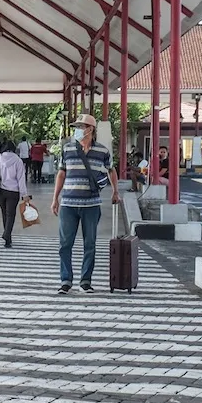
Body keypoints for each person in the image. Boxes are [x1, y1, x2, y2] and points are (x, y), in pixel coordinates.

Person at [51, 113, 119, 295]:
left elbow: (112, 171)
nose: (78, 130)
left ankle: (85, 281)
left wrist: (115, 191)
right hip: (68, 204)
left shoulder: (103, 151)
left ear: (91, 129)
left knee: (90, 244)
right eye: (77, 127)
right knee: (65, 244)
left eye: (81, 127)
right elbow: (61, 174)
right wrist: (55, 199)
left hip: (91, 205)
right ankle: (66, 280)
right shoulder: (67, 149)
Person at [0, 140, 30, 248]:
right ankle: (7, 235)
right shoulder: (18, 160)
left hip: (0, 191)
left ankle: (7, 238)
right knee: (11, 215)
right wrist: (24, 194)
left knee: (4, 214)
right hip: (13, 192)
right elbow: (21, 179)